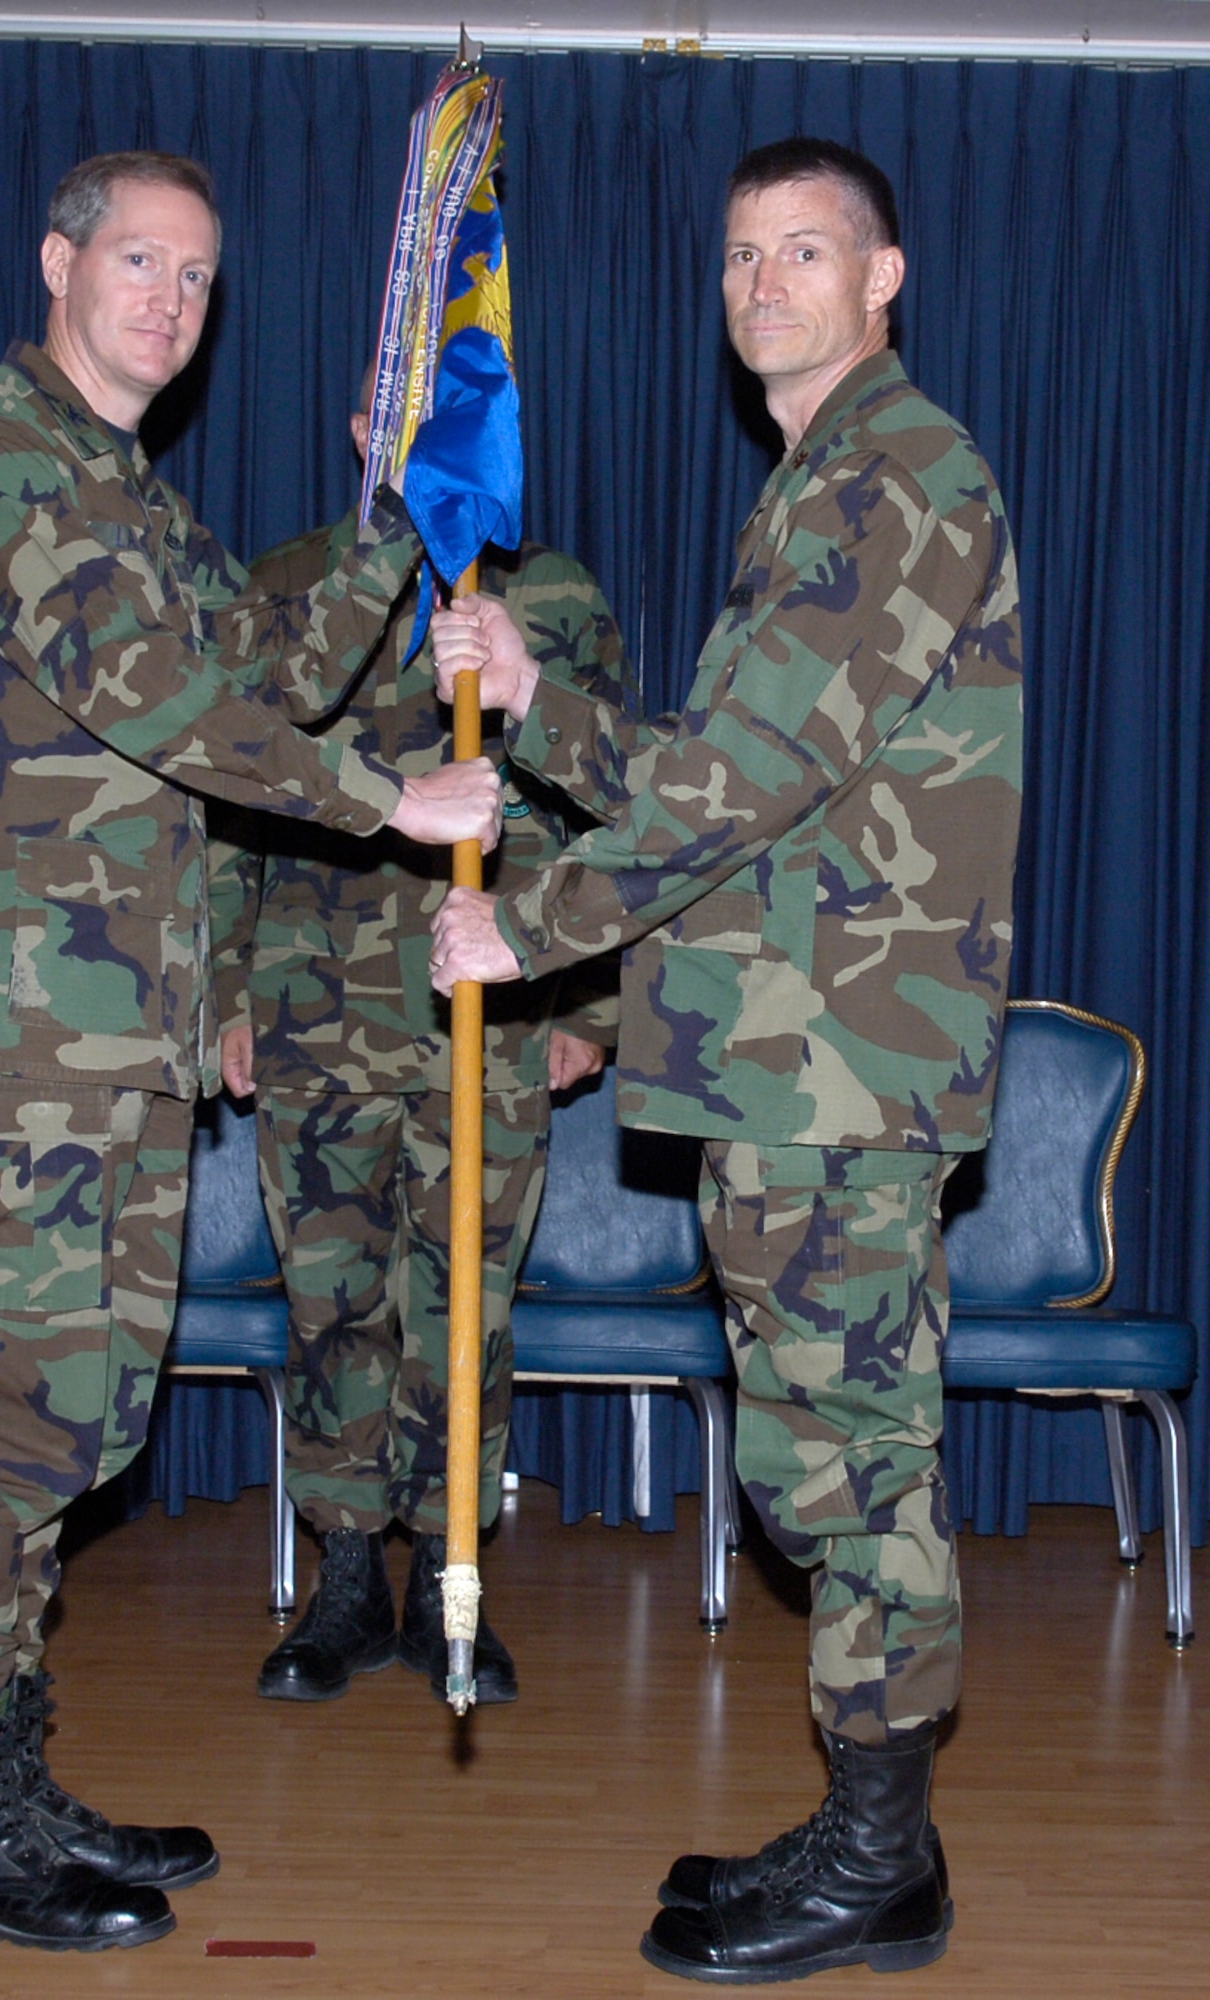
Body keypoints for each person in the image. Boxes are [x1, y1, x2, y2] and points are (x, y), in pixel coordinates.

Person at [0, 150, 501, 1953]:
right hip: (15, 1027)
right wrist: (393, 801)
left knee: (78, 1420)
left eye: (201, 278)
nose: (171, 300)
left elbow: (265, 662)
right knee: (7, 1422)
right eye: (140, 260)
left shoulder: (121, 491)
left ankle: (3, 1774)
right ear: (59, 260)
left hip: (116, 1030)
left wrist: (391, 517)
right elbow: (158, 699)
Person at [430, 137, 1023, 1983]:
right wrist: (542, 705)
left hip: (841, 1073)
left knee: (853, 1475)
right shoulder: (828, 484)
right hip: (801, 1066)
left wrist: (531, 929)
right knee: (823, 1468)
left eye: (808, 251)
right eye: (743, 255)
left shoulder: (894, 477)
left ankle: (882, 1864)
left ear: (886, 277)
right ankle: (866, 1828)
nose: (765, 283)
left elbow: (744, 778)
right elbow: (740, 771)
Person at [209, 372, 628, 1706]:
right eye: (393, 419)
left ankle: (455, 1573)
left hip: (488, 1017)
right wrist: (221, 992)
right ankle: (343, 1580)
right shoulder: (287, 585)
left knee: (467, 1309)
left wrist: (592, 1007)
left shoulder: (550, 600)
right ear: (357, 429)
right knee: (331, 1305)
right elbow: (224, 801)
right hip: (313, 1010)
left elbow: (604, 812)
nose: (416, 446)